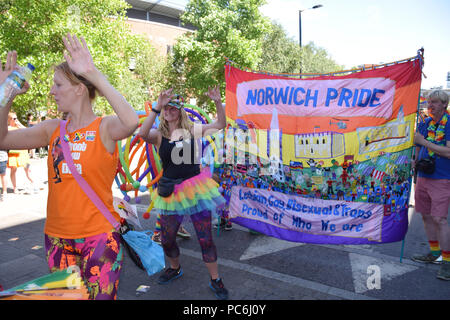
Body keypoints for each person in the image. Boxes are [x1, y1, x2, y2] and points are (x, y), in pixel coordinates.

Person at [0, 34, 139, 299]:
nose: (52, 92)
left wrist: (93, 73)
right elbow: (2, 140)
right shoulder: (52, 129)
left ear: (79, 89)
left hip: (99, 238)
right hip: (57, 239)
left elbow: (131, 121)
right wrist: (6, 94)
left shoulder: (105, 127)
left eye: (58, 85)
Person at [138, 87, 229, 299]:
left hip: (196, 189)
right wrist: (156, 107)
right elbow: (142, 134)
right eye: (166, 108)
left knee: (205, 238)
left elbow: (220, 125)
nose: (169, 111)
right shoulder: (159, 135)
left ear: (180, 111)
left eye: (173, 108)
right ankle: (175, 268)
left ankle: (216, 279)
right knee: (167, 239)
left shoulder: (192, 130)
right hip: (171, 192)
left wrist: (217, 102)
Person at [412, 89, 450, 281]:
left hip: (442, 178)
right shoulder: (425, 123)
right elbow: (418, 146)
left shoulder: (449, 123)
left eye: (435, 102)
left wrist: (424, 142)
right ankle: (434, 252)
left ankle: (447, 263)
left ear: (444, 104)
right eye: (429, 102)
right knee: (426, 216)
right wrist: (415, 162)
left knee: (439, 219)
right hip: (424, 176)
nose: (431, 105)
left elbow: (449, 152)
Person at [7, 112, 35, 194]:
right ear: (9, 120)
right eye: (14, 118)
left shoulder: (19, 127)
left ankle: (33, 182)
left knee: (27, 169)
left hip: (23, 151)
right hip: (13, 152)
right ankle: (15, 188)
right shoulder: (7, 128)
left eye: (16, 118)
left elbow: (28, 131)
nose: (16, 120)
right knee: (13, 170)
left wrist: (19, 124)